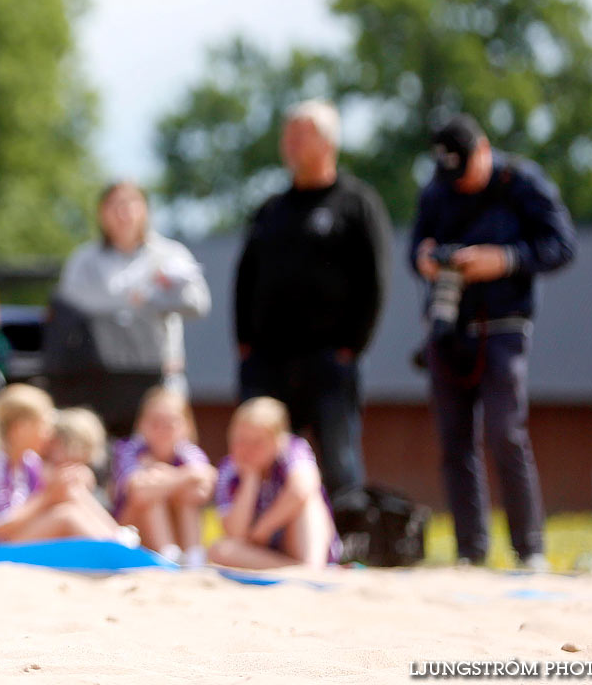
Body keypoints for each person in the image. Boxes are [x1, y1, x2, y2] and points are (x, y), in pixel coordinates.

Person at [411, 114, 576, 569]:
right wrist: (426, 259)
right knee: (453, 440)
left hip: (504, 324)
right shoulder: (436, 189)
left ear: (483, 151)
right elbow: (415, 247)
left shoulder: (520, 182)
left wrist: (503, 260)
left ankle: (530, 549)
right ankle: (471, 550)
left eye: (463, 171)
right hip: (448, 325)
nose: (457, 182)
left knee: (504, 431)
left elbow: (562, 245)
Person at [234, 100, 390, 500]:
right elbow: (246, 276)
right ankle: (264, 543)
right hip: (267, 359)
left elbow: (375, 281)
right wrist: (245, 343)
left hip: (329, 360)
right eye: (287, 135)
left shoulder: (356, 204)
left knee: (339, 461)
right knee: (260, 456)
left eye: (301, 134)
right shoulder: (271, 209)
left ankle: (347, 547)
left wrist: (351, 346)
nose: (290, 143)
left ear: (327, 142)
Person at [52, 181, 211, 435]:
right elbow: (69, 303)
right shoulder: (84, 260)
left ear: (146, 210)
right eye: (114, 205)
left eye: (131, 204)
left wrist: (153, 298)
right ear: (100, 213)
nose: (123, 213)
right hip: (100, 378)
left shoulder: (170, 255)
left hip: (159, 376)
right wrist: (131, 297)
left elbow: (199, 304)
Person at [0, 383, 124, 542]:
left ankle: (118, 539)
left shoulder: (29, 462)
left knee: (70, 496)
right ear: (21, 428)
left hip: (18, 537)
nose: (48, 434)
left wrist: (65, 486)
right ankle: (119, 552)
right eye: (43, 424)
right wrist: (48, 497)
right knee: (67, 517)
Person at [208, 397, 338, 570]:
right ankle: (298, 569)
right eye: (241, 440)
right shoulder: (229, 469)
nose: (248, 449)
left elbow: (303, 487)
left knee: (309, 501)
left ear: (278, 441)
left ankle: (313, 566)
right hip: (263, 552)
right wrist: (251, 479)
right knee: (219, 551)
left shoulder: (293, 449)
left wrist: (264, 527)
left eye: (257, 442)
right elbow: (236, 533)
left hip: (296, 539)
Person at [109, 386, 215, 565]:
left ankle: (193, 555)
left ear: (186, 426)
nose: (162, 430)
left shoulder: (188, 452)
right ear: (141, 424)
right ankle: (168, 554)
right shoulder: (129, 449)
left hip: (176, 530)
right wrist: (183, 477)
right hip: (134, 530)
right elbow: (138, 492)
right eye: (155, 422)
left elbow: (202, 490)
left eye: (170, 422)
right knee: (152, 496)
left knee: (184, 494)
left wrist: (162, 477)